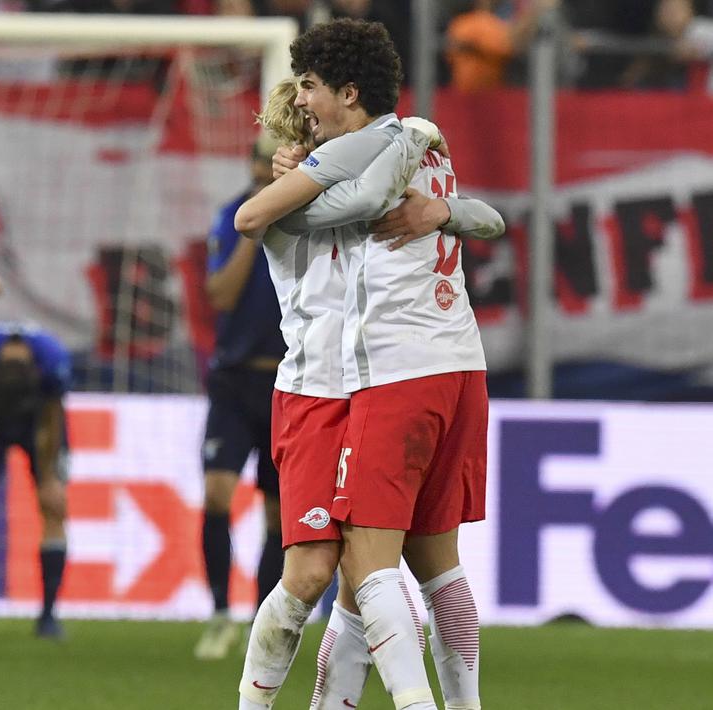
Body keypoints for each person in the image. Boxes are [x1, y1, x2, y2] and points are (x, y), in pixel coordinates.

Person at [234, 20, 503, 710]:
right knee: (340, 574)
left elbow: (410, 201)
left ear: (344, 97)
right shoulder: (352, 173)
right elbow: (377, 200)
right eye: (298, 101)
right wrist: (420, 153)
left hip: (383, 376)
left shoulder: (368, 158)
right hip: (360, 384)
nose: (305, 106)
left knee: (362, 569)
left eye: (312, 90)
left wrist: (434, 197)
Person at [193, 136, 286, 661]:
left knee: (279, 515)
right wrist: (256, 230)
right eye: (259, 161)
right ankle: (218, 614)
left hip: (287, 384)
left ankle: (261, 624)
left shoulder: (312, 214)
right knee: (216, 496)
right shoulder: (233, 217)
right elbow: (220, 295)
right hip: (233, 380)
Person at [0, 321, 71, 640]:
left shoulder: (54, 361)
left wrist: (49, 476)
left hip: (37, 418)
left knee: (53, 508)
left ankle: (49, 615)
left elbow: (52, 421)